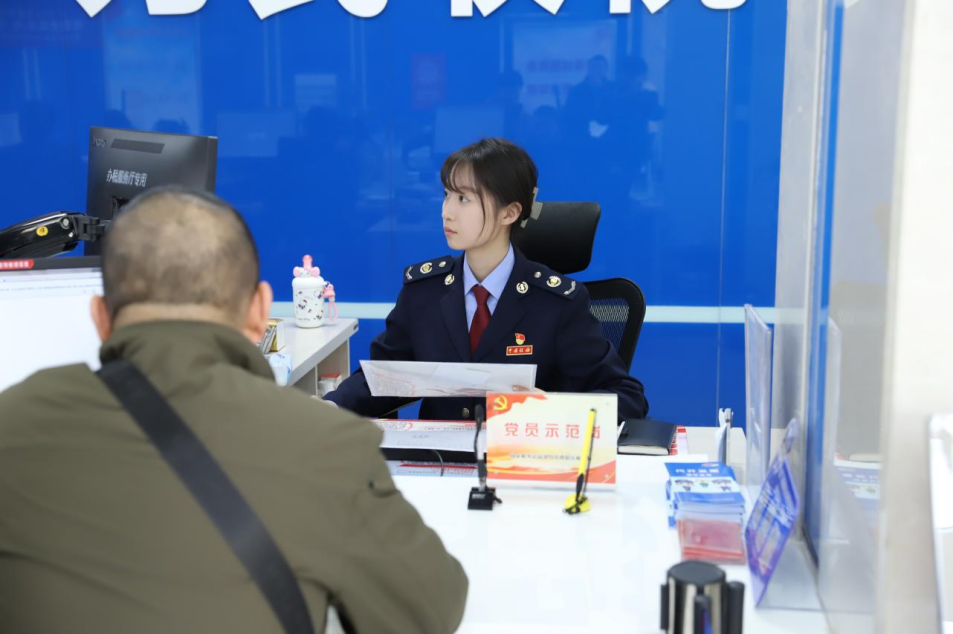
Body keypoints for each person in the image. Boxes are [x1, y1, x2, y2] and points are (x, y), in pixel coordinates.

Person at [0, 187, 467, 634]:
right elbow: (429, 607)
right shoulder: (326, 443)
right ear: (260, 311)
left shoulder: (13, 424)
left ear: (101, 317)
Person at [325, 137, 648, 421]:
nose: (447, 212)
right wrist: (330, 407)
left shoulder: (557, 302)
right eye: (447, 195)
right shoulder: (423, 291)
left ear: (509, 213)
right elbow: (381, 379)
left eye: (464, 199)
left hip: (522, 458)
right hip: (438, 459)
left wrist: (552, 409)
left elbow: (626, 396)